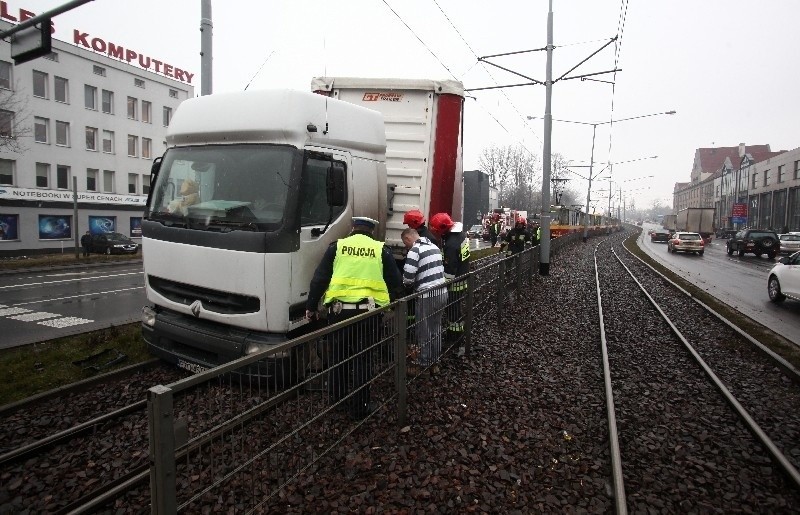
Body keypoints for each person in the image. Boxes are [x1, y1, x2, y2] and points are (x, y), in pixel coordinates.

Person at [305, 216, 402, 419]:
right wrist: (389, 303)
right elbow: (395, 282)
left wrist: (311, 307)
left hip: (339, 314)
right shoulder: (380, 250)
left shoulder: (337, 247)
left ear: (352, 228)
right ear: (371, 231)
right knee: (363, 360)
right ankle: (360, 407)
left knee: (338, 359)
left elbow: (319, 279)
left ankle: (337, 404)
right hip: (368, 313)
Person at [401, 227, 447, 375]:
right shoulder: (434, 246)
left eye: (405, 243)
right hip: (442, 292)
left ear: (408, 238)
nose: (406, 247)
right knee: (436, 328)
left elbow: (408, 277)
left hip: (427, 295)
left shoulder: (415, 250)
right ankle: (435, 361)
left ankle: (424, 363)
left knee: (424, 330)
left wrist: (406, 286)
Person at [430, 213, 470, 343]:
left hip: (455, 283)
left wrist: (443, 287)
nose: (435, 232)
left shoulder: (451, 244)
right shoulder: (460, 235)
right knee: (456, 308)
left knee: (452, 311)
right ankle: (456, 333)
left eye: (436, 230)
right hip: (462, 278)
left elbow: (450, 271)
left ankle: (455, 337)